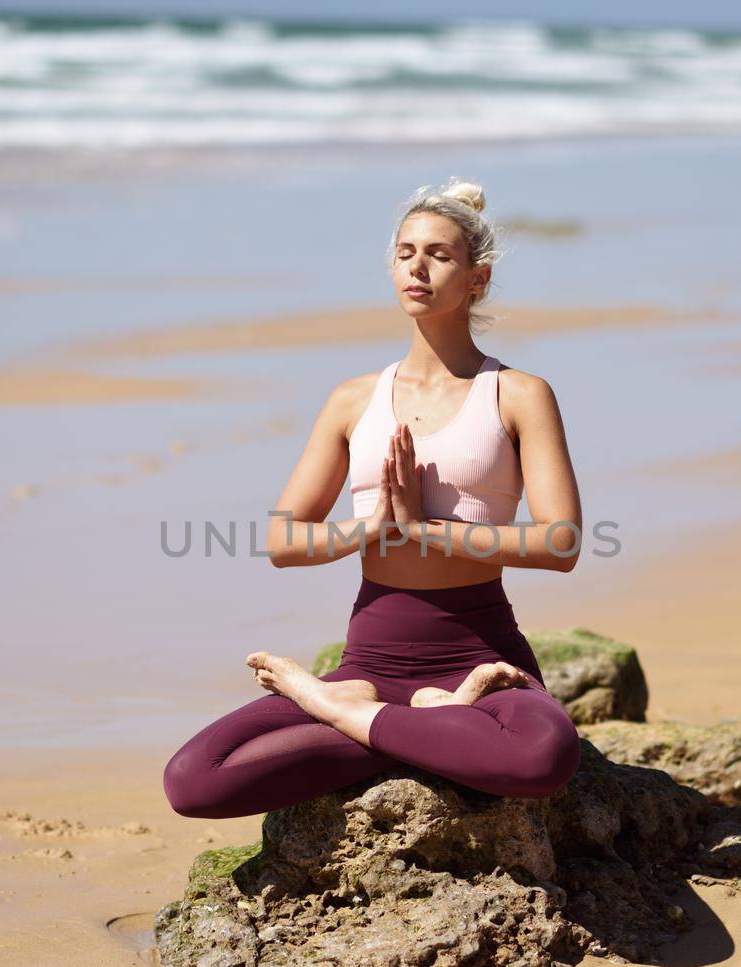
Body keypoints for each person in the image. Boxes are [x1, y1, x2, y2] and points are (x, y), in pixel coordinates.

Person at [162, 176, 585, 819]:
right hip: (371, 660)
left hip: (482, 654)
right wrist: (370, 529)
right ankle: (427, 729)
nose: (418, 266)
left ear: (479, 278)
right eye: (405, 252)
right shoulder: (354, 399)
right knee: (195, 779)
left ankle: (344, 714)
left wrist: (427, 529)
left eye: (440, 254)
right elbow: (284, 540)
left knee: (543, 757)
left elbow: (561, 543)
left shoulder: (519, 394)